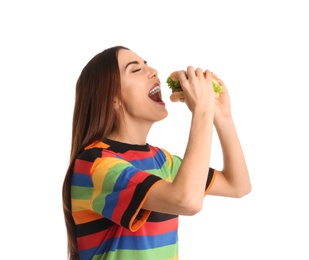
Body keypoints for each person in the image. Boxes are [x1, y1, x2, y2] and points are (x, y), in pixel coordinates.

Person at [62, 45, 251, 260]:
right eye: (135, 70)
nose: (153, 71)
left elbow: (238, 185)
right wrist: (202, 111)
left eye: (146, 64)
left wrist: (223, 117)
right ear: (112, 99)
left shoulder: (161, 160)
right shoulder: (95, 164)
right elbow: (187, 200)